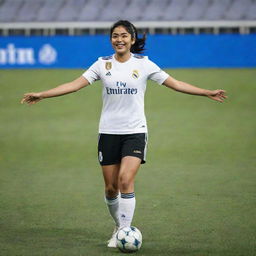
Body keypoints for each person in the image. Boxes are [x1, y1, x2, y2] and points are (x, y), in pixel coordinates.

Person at [21, 20, 227, 248]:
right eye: (115, 36)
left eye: (124, 36)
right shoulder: (102, 64)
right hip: (108, 132)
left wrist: (206, 92)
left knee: (126, 180)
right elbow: (74, 85)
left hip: (135, 132)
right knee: (111, 189)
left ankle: (125, 229)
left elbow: (175, 84)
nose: (119, 40)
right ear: (111, 39)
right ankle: (118, 225)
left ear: (132, 39)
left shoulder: (145, 64)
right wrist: (43, 94)